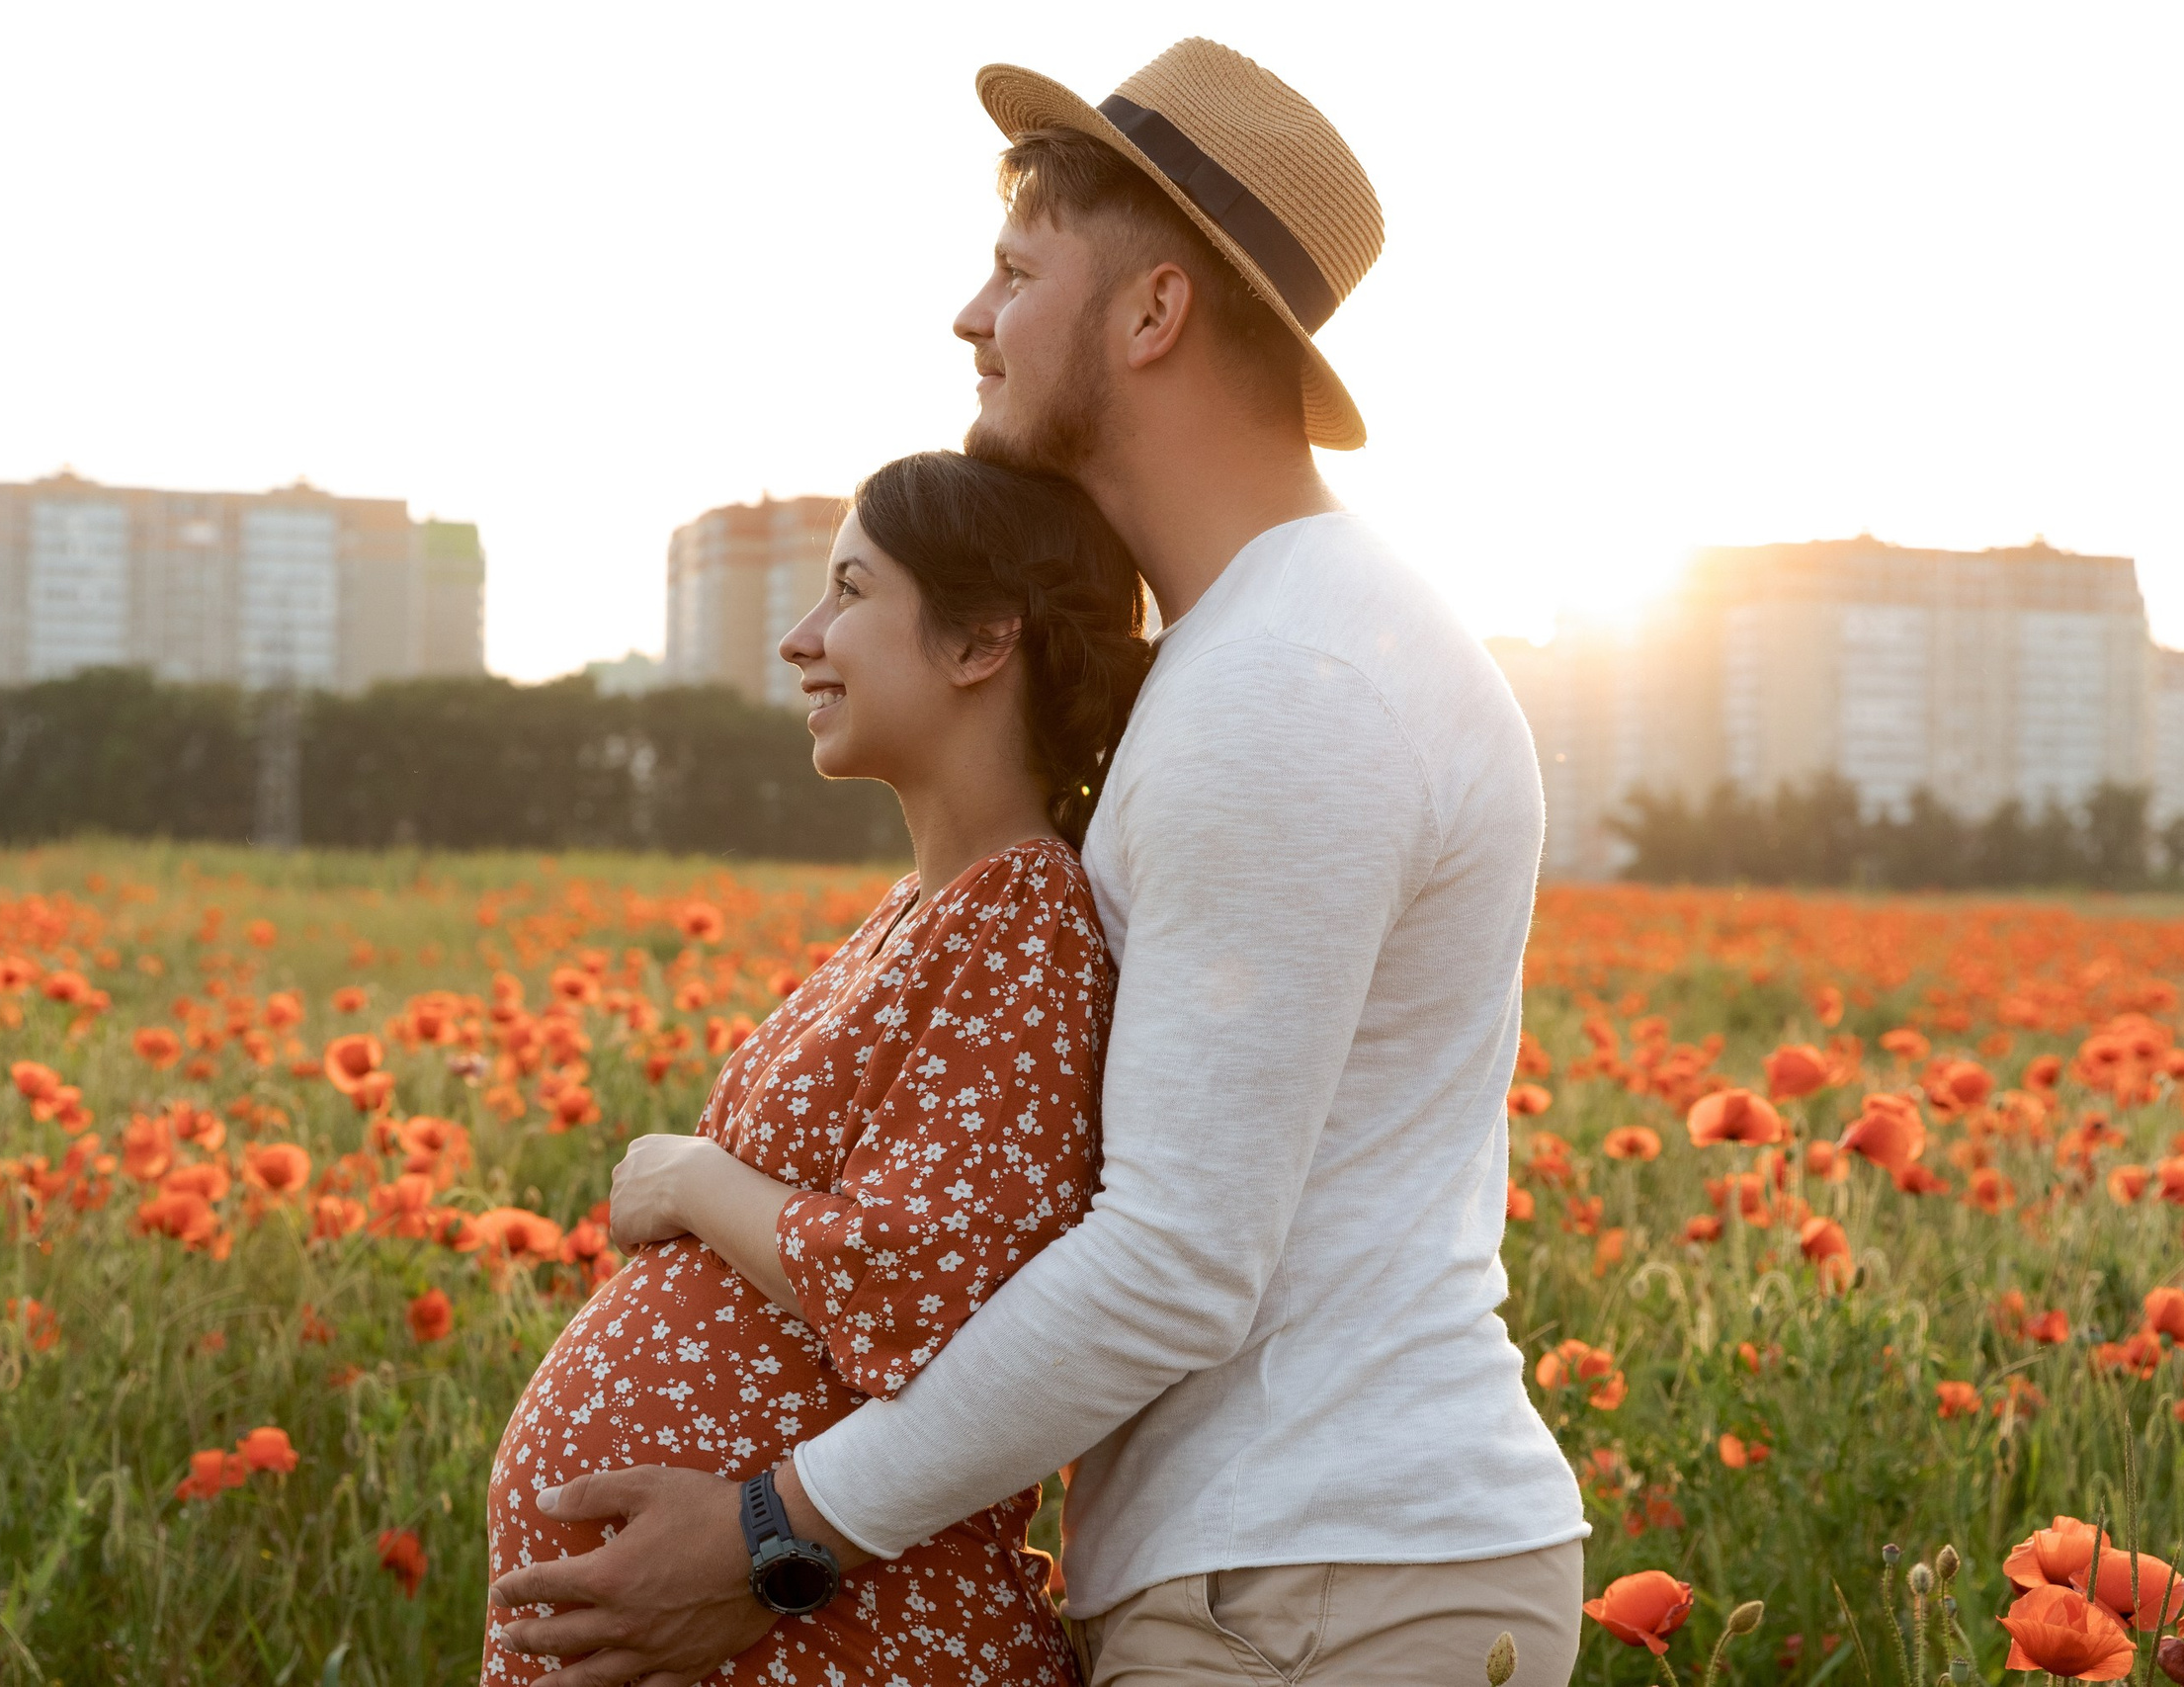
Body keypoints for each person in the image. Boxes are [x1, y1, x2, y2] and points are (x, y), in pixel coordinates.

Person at [490, 37, 1589, 1687]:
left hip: (1313, 1586)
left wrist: (779, 1530)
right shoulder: (1265, 653)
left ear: (1151, 316)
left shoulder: (1290, 686)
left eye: (1016, 269)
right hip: (1285, 1569)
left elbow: (1175, 1263)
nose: (969, 317)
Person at [481, 450, 1153, 1686]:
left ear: (979, 641)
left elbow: (917, 1289)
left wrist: (689, 1181)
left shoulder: (1025, 916)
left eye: (848, 591)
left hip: (844, 1635)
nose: (800, 638)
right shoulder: (932, 904)